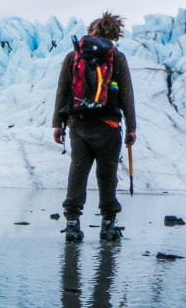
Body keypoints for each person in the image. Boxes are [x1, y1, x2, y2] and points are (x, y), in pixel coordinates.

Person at [52, 12, 136, 242]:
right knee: (107, 174)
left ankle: (72, 223)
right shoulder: (116, 57)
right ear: (114, 34)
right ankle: (108, 225)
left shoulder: (74, 56)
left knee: (78, 170)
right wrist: (131, 127)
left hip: (78, 123)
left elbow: (63, 89)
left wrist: (57, 124)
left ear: (91, 31)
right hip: (108, 125)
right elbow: (127, 94)